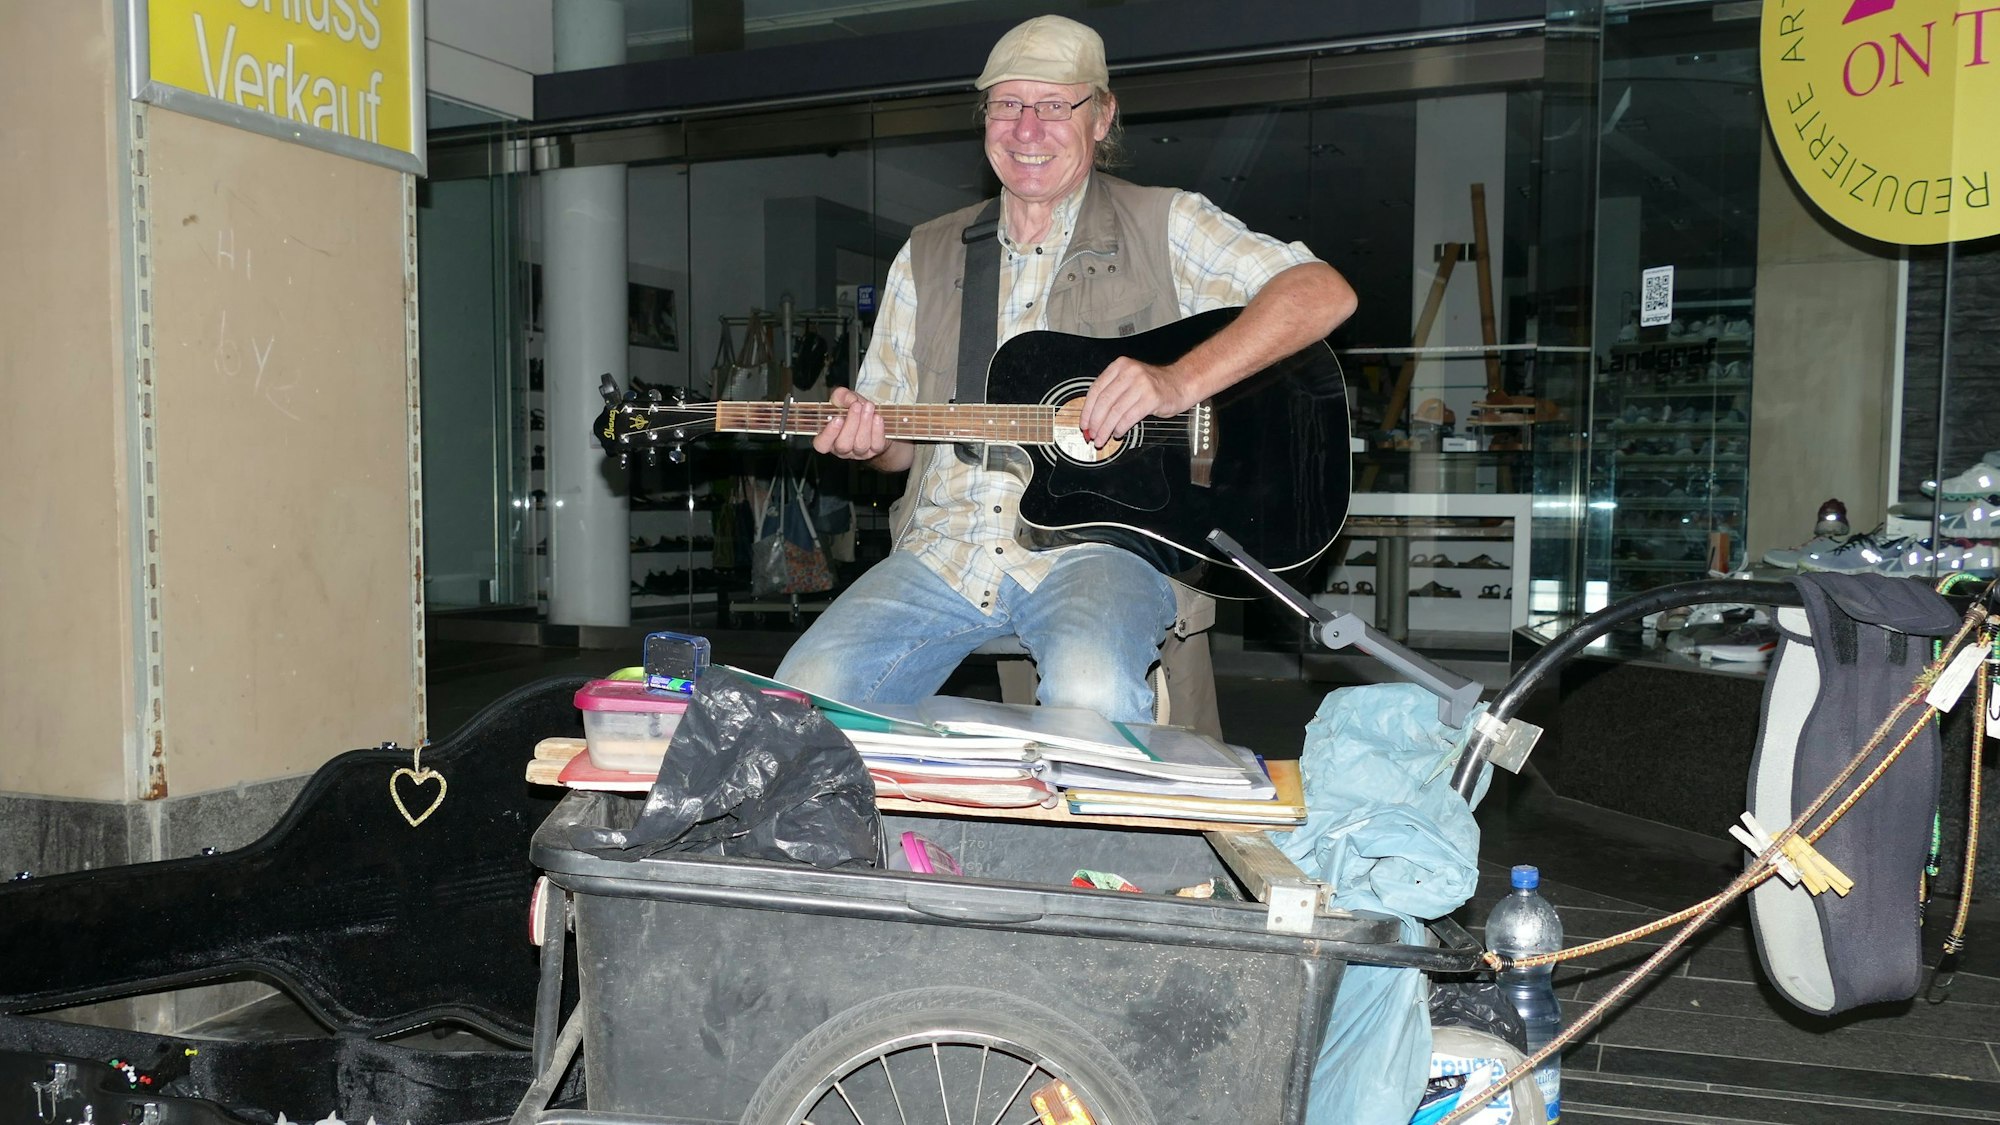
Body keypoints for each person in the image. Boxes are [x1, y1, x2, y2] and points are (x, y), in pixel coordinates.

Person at [774, 14, 1357, 723]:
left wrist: (1179, 380)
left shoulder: (1165, 223)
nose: (1027, 129)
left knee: (1093, 693)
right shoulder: (927, 254)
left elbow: (1323, 292)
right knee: (802, 695)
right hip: (945, 548)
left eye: (1055, 105)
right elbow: (899, 448)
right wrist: (870, 440)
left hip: (1103, 551)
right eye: (1008, 105)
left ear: (1102, 116)